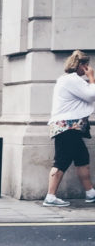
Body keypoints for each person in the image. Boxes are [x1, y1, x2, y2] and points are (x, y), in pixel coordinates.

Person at [43, 50, 95, 207]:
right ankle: (50, 197)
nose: (87, 68)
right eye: (85, 65)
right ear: (79, 65)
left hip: (72, 127)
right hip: (67, 127)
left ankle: (90, 193)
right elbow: (91, 95)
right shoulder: (71, 80)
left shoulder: (71, 80)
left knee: (82, 159)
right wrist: (92, 77)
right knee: (61, 161)